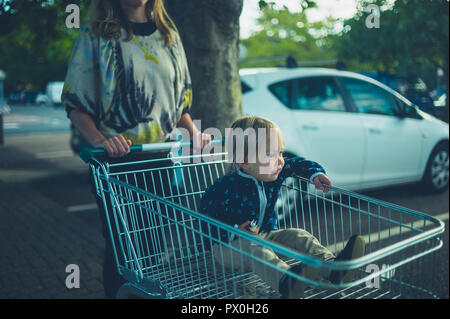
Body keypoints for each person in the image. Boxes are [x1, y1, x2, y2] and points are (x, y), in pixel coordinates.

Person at [62, 0, 210, 298]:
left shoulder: (169, 36)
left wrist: (193, 133)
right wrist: (101, 141)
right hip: (115, 164)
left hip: (159, 162)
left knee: (153, 249)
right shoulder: (96, 35)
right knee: (123, 251)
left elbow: (179, 103)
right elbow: (75, 102)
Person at [200, 116, 365, 298]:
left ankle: (333, 268)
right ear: (245, 162)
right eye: (271, 155)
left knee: (298, 235)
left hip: (263, 236)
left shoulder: (274, 173)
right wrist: (232, 230)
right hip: (228, 247)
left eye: (280, 152)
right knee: (252, 248)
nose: (280, 161)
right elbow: (206, 216)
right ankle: (286, 282)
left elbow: (296, 163)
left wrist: (315, 174)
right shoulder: (225, 187)